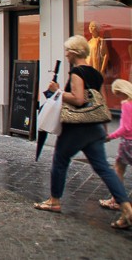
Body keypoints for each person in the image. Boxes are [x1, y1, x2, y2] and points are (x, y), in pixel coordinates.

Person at [34, 35, 132, 230]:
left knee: (60, 160)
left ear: (74, 52)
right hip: (95, 128)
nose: (66, 54)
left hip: (77, 128)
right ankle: (126, 207)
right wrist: (103, 130)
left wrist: (57, 91)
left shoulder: (77, 72)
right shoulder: (96, 74)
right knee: (103, 168)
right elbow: (102, 104)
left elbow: (79, 99)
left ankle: (54, 201)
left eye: (67, 51)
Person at [99, 79, 132, 211]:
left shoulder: (126, 104)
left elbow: (126, 128)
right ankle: (116, 200)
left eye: (117, 94)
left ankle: (117, 200)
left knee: (118, 169)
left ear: (121, 91)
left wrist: (110, 137)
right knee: (119, 168)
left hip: (128, 143)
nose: (117, 97)